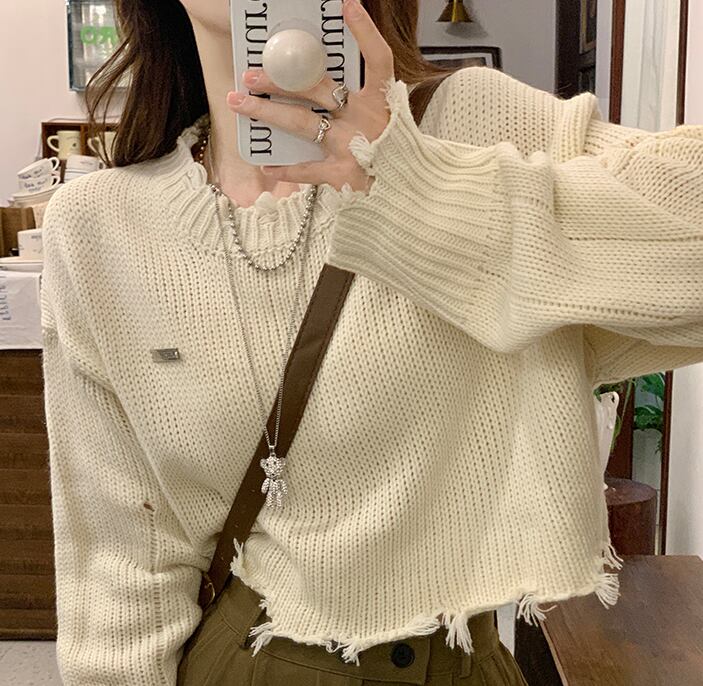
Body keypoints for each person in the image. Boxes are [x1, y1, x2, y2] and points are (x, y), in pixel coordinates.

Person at [39, 0, 703, 684]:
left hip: (451, 664)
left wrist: (418, 185)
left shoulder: (469, 125)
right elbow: (122, 568)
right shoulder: (99, 227)